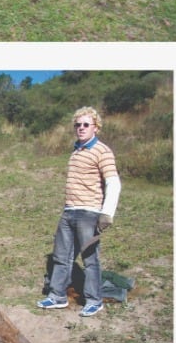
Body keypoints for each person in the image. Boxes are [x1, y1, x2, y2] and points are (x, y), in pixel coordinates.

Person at [37, 107, 121, 317]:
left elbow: (113, 182)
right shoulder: (76, 151)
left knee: (90, 259)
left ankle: (94, 300)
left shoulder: (103, 151)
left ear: (96, 127)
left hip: (89, 213)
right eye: (78, 125)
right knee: (61, 256)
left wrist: (107, 213)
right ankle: (57, 296)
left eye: (86, 124)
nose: (81, 128)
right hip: (69, 212)